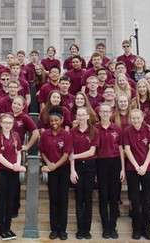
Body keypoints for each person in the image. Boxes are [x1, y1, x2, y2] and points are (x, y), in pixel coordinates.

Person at [40, 107, 72, 240]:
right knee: (53, 200)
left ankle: (62, 230)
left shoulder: (66, 134)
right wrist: (49, 164)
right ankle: (54, 229)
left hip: (63, 169)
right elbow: (42, 152)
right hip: (51, 169)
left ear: (62, 120)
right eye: (52, 120)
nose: (54, 122)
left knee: (63, 200)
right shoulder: (45, 134)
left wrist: (55, 166)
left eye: (56, 120)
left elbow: (66, 154)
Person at [123, 109, 150, 240]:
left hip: (147, 169)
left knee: (147, 200)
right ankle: (136, 228)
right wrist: (137, 166)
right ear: (130, 119)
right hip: (132, 169)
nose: (136, 120)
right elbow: (127, 149)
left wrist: (144, 166)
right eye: (133, 118)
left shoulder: (149, 129)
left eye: (138, 118)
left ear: (142, 118)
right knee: (135, 201)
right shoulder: (127, 131)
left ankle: (146, 229)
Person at [0, 113, 26, 240]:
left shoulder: (16, 135)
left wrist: (17, 164)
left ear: (13, 124)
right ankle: (2, 229)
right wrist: (14, 167)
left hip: (13, 173)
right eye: (5, 122)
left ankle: (8, 228)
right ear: (1, 123)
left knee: (11, 201)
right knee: (2, 201)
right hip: (2, 173)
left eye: (10, 123)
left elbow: (18, 152)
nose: (7, 125)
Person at [96, 103, 125, 239]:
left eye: (108, 111)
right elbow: (94, 150)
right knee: (103, 196)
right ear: (99, 113)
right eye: (103, 111)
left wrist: (123, 169)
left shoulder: (117, 129)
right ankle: (105, 227)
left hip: (115, 163)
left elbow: (121, 149)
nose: (105, 113)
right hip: (100, 163)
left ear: (111, 113)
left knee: (114, 197)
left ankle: (113, 227)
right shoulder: (95, 128)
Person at [70, 106, 99, 239]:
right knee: (79, 199)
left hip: (89, 167)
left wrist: (75, 157)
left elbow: (91, 152)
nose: (81, 117)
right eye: (79, 114)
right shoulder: (72, 131)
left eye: (83, 114)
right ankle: (79, 230)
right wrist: (72, 170)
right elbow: (70, 152)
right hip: (77, 168)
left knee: (88, 199)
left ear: (88, 116)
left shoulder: (94, 131)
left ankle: (87, 230)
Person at [10, 95, 39, 217]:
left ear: (23, 106)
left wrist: (26, 146)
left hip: (17, 153)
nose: (16, 106)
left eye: (18, 104)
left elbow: (36, 133)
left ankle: (14, 208)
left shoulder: (25, 118)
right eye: (14, 103)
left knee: (15, 181)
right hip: (3, 151)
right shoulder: (7, 116)